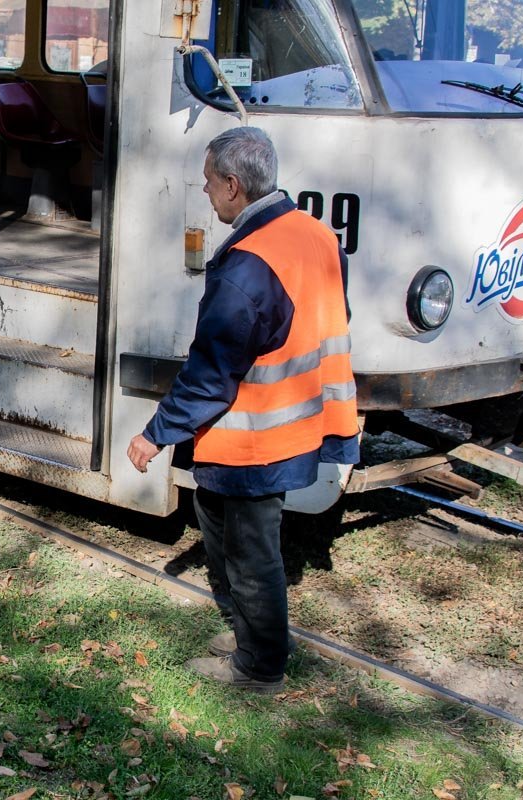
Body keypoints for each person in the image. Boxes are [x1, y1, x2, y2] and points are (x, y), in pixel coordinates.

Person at [126, 127, 359, 693]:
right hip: (298, 420)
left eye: (208, 183)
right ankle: (247, 636)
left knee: (252, 556)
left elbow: (211, 372)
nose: (205, 193)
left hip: (254, 438)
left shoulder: (247, 266)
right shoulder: (314, 233)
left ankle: (260, 668)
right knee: (223, 529)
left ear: (233, 185)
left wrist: (154, 434)